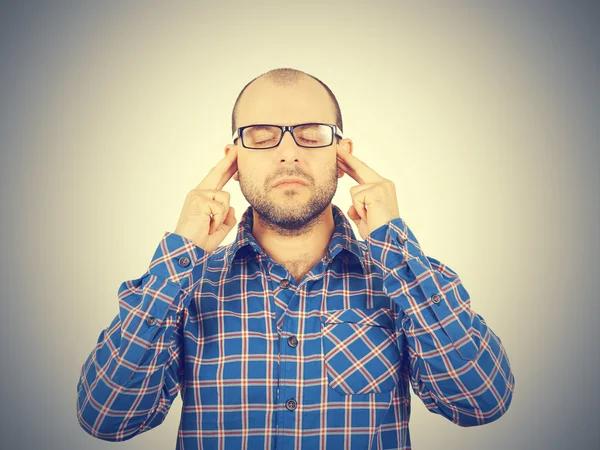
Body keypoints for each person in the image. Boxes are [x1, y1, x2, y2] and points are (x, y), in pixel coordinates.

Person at [76, 68, 515, 449]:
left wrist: (393, 243)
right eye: (262, 137)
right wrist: (181, 251)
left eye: (311, 134)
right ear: (234, 157)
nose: (288, 152)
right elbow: (107, 417)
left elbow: (481, 400)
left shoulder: (397, 280)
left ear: (342, 154)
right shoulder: (188, 287)